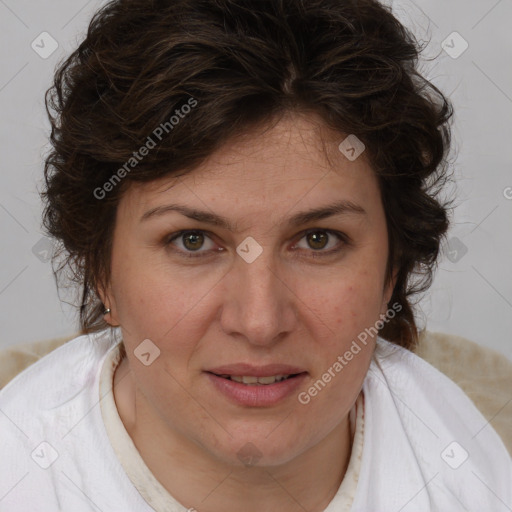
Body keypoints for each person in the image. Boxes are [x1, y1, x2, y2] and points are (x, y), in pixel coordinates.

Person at [0, 0, 510, 510]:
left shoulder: (472, 470)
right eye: (192, 240)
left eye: (318, 239)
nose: (260, 321)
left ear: (391, 272)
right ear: (101, 271)